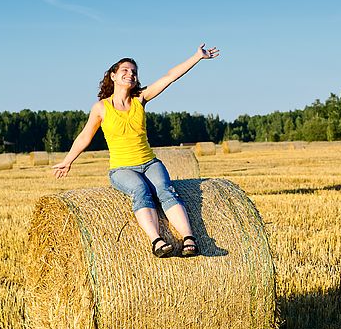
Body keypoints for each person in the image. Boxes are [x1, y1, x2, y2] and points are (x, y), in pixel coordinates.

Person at [52, 43, 220, 257]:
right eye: (125, 70)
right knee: (140, 191)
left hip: (149, 163)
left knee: (165, 190)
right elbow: (85, 136)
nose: (130, 74)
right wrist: (68, 160)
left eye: (133, 72)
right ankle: (157, 241)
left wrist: (197, 57)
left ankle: (189, 238)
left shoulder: (139, 99)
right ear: (113, 76)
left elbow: (170, 77)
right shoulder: (102, 108)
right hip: (122, 169)